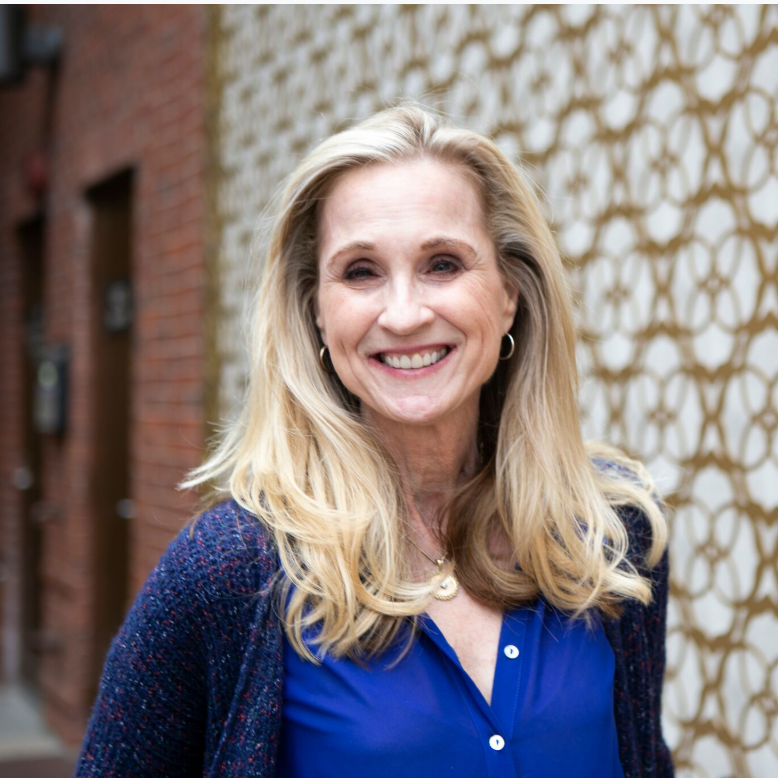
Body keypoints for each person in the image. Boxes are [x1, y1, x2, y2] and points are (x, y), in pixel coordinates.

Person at [73, 103, 674, 778]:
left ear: (508, 293)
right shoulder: (231, 572)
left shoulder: (610, 536)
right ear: (317, 312)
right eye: (360, 272)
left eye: (443, 263)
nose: (405, 312)